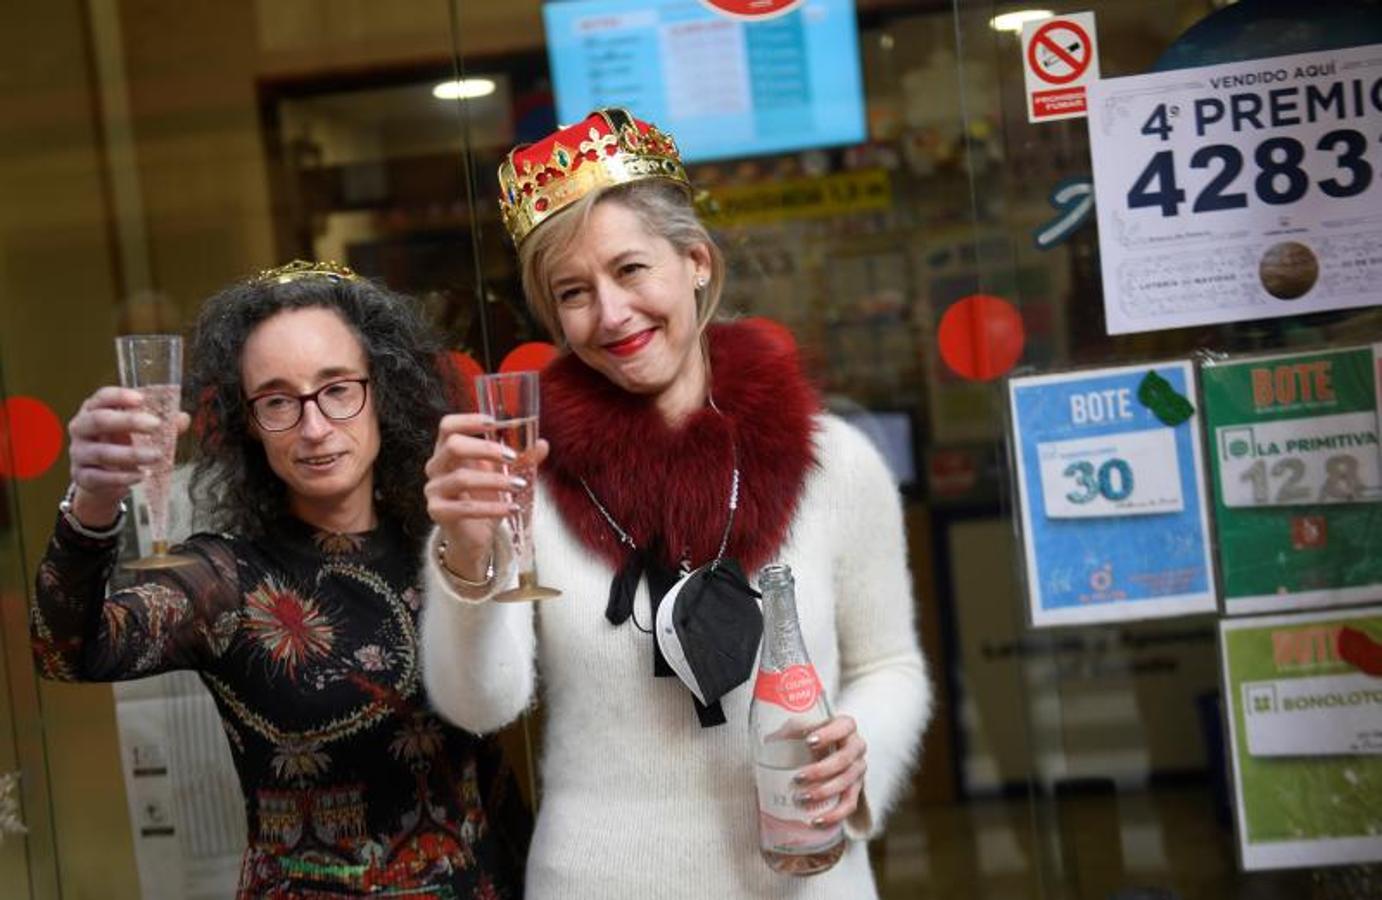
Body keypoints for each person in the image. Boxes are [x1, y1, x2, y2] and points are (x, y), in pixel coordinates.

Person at [420, 108, 931, 898]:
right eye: (573, 293)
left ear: (695, 260)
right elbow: (481, 704)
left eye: (630, 270)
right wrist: (464, 552)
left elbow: (890, 666)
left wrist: (855, 746)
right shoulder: (526, 481)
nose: (612, 314)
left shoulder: (837, 464)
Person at [30, 261, 527, 899]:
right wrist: (93, 502)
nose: (314, 427)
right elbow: (66, 651)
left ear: (383, 390)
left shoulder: (452, 542)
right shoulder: (227, 580)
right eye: (277, 402)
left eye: (337, 388)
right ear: (249, 424)